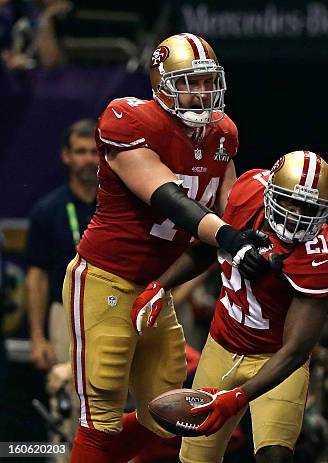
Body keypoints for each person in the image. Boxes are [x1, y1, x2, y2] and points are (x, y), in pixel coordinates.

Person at [62, 33, 269, 463]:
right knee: (101, 413)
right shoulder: (128, 119)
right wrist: (228, 238)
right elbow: (169, 197)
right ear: (160, 83)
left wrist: (265, 230)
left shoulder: (222, 132)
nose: (201, 93)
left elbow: (231, 206)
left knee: (168, 414)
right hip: (106, 278)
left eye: (206, 81)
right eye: (188, 82)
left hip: (158, 286)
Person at [131, 150, 328, 463]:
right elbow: (210, 245)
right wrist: (161, 284)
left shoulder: (319, 257)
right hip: (222, 345)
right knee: (195, 459)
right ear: (270, 193)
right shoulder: (248, 194)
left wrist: (238, 398)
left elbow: (295, 350)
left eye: (308, 207)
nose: (296, 215)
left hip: (276, 358)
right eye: (290, 202)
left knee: (275, 457)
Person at [25, 118, 97, 453]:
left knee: (111, 400)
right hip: (62, 314)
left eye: (95, 152)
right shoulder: (47, 210)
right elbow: (36, 276)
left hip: (110, 310)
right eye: (80, 152)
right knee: (64, 397)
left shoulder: (120, 207)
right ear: (66, 156)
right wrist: (37, 336)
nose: (88, 159)